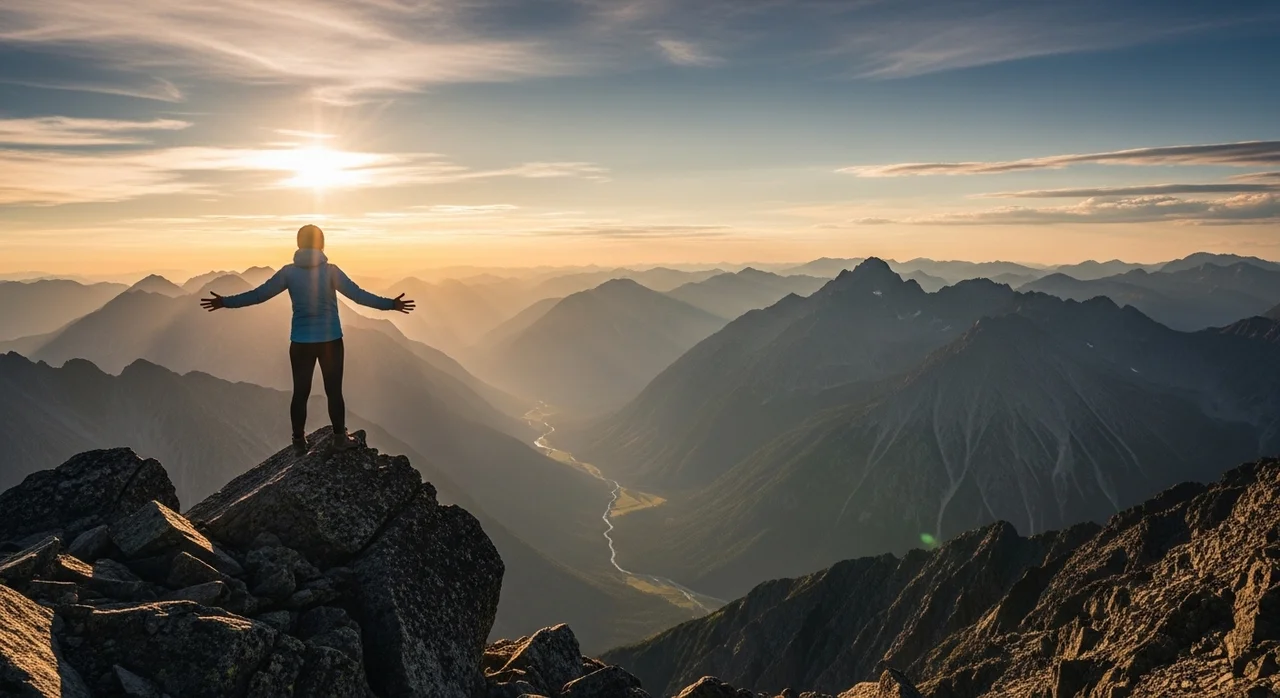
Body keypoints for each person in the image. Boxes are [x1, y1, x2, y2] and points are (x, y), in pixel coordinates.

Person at [200, 224, 414, 454]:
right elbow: (359, 296)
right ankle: (340, 438)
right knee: (334, 391)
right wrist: (391, 304)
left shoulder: (288, 273)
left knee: (300, 393)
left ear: (299, 243)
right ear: (321, 244)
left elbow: (259, 295)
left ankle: (298, 442)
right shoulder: (331, 271)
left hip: (300, 342)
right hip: (330, 340)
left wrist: (225, 302)